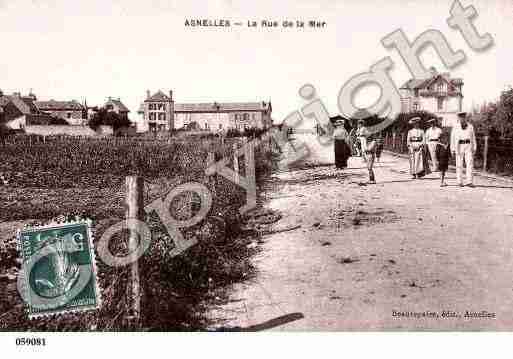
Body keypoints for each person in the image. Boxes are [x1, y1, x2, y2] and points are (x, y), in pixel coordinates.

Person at [450, 112, 477, 187]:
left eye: (464, 117)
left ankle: (469, 181)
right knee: (459, 164)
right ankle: (459, 181)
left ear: (466, 118)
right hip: (459, 146)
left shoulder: (470, 126)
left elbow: (473, 137)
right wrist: (452, 149)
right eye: (460, 117)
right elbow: (452, 138)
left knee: (470, 164)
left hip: (468, 145)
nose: (462, 119)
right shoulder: (455, 127)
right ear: (458, 118)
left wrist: (474, 147)